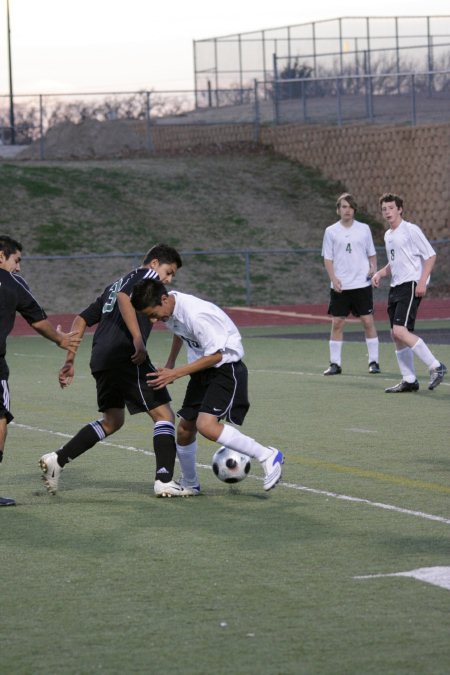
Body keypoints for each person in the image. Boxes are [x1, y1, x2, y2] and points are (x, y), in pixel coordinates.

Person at [39, 244, 195, 498]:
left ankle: (58, 459)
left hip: (101, 356)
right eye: (169, 272)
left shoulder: (113, 285)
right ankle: (164, 480)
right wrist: (137, 339)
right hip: (126, 355)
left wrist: (70, 358)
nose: (167, 279)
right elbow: (125, 298)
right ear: (154, 263)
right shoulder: (145, 277)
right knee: (164, 415)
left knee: (113, 421)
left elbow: (82, 318)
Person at [130, 278, 285, 492]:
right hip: (201, 370)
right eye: (149, 317)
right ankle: (190, 483)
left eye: (153, 314)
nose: (154, 320)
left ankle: (268, 455)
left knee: (206, 425)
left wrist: (176, 372)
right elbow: (180, 332)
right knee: (184, 430)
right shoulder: (169, 308)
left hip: (224, 369)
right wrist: (170, 364)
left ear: (164, 299)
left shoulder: (196, 314)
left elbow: (216, 356)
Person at [0, 235, 81, 507]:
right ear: (1, 256)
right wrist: (61, 340)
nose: (19, 267)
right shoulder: (12, 282)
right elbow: (37, 320)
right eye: (17, 260)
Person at [372, 193, 446, 393]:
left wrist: (422, 281)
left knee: (400, 331)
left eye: (390, 208)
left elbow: (430, 255)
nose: (387, 212)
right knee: (396, 334)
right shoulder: (388, 235)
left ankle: (436, 366)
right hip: (396, 286)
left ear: (400, 209)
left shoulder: (411, 230)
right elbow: (394, 262)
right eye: (384, 209)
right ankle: (409, 379)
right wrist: (381, 272)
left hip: (411, 285)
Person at [321, 193, 381, 376]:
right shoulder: (330, 231)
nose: (347, 210)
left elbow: (371, 254)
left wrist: (373, 269)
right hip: (341, 286)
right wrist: (333, 278)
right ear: (338, 210)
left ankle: (374, 362)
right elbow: (328, 258)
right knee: (337, 323)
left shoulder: (364, 229)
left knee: (367, 321)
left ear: (354, 210)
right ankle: (335, 364)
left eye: (350, 207)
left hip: (361, 284)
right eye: (344, 207)